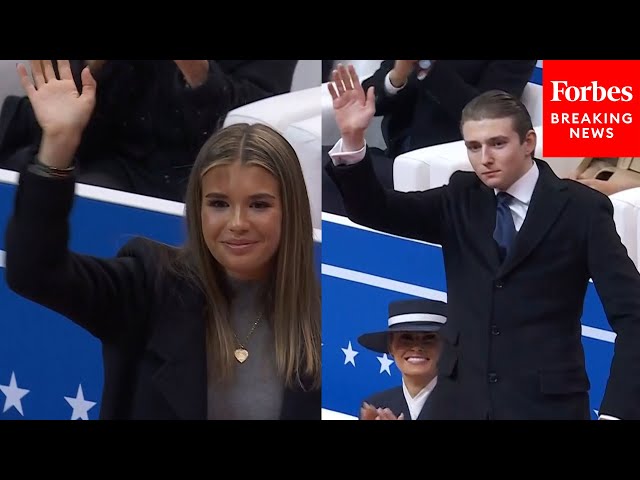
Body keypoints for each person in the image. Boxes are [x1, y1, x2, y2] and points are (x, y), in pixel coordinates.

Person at [4, 60, 321, 420]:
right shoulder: (149, 285)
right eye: (218, 203)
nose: (237, 223)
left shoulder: (324, 313)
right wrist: (58, 145)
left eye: (259, 205)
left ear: (292, 210)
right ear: (196, 208)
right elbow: (33, 272)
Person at [324, 64, 640, 420]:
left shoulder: (581, 209)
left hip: (547, 407)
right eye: (473, 146)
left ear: (529, 143)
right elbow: (376, 210)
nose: (484, 158)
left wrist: (617, 413)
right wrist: (352, 140)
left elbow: (633, 314)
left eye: (497, 143)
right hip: (459, 404)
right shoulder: (461, 196)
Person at [0, 59, 298, 202]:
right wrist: (94, 66)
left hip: (206, 170)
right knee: (24, 175)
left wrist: (197, 73)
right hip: (105, 154)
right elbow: (47, 116)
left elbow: (255, 127)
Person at [322, 60, 537, 215]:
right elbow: (374, 100)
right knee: (325, 162)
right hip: (396, 155)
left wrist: (428, 67)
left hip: (443, 171)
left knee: (341, 173)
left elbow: (488, 115)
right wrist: (397, 77)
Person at [358, 298, 445, 421]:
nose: (417, 347)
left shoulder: (472, 405)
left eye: (429, 338)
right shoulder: (376, 405)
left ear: (446, 346)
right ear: (390, 346)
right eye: (406, 338)